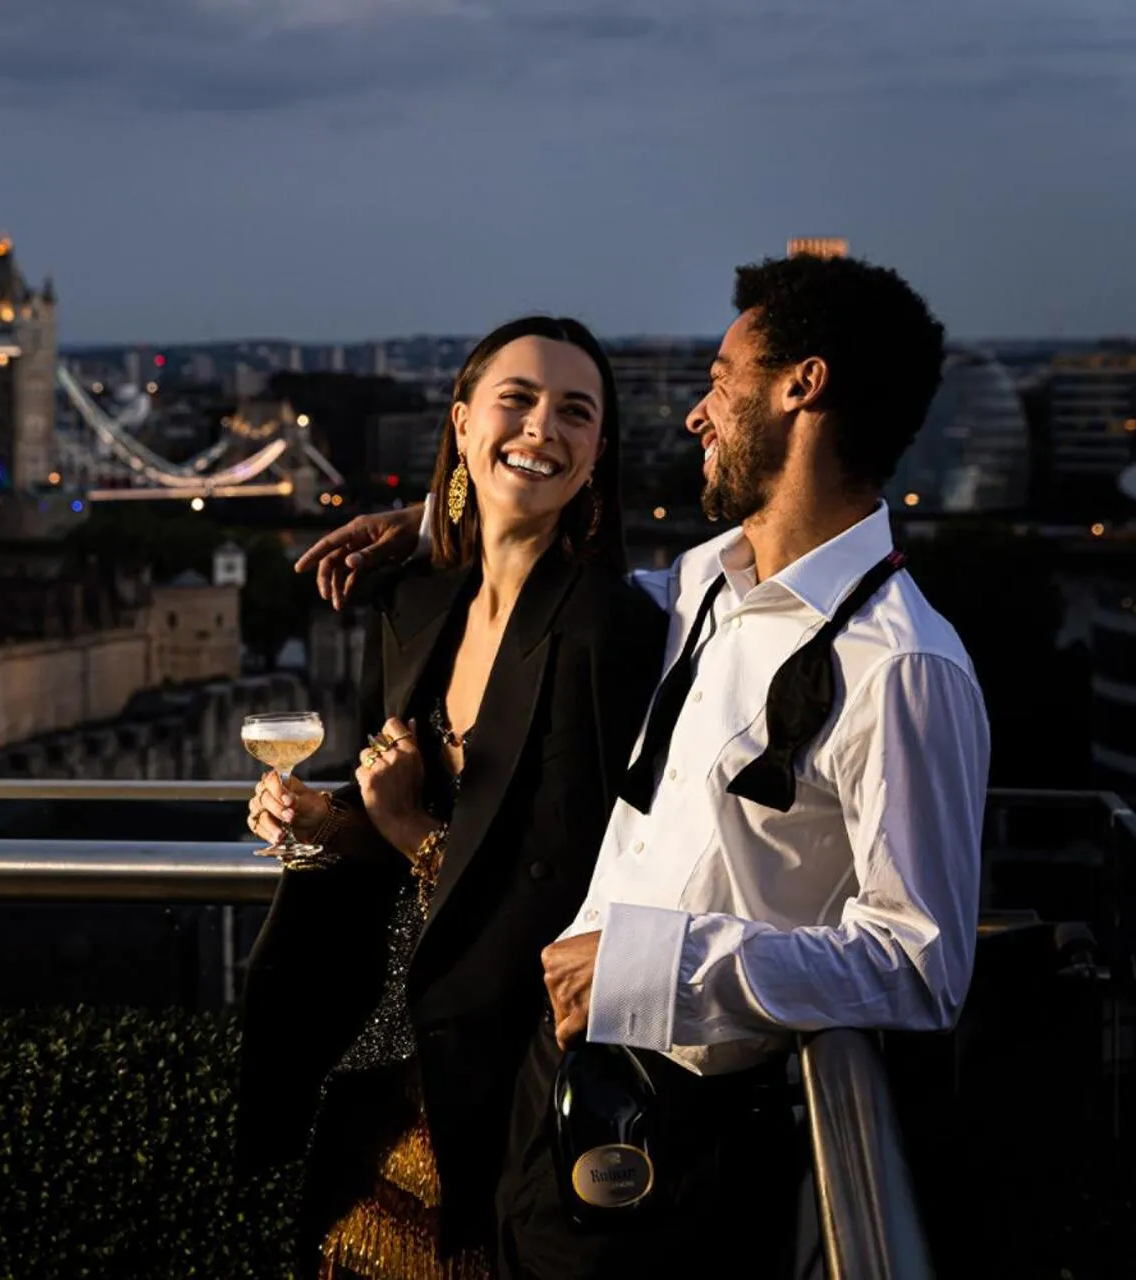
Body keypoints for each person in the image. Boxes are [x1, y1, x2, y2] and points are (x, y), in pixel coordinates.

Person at [298, 254, 991, 1278]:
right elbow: (541, 569)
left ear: (801, 386)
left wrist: (658, 964)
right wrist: (439, 512)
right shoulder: (705, 584)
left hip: (689, 1143)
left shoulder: (902, 666)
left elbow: (920, 962)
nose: (695, 416)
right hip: (558, 1086)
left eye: (719, 377)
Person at [237, 316, 668, 1279]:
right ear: (464, 423)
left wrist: (399, 823)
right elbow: (385, 830)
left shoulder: (605, 629)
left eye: (576, 413)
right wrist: (324, 822)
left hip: (495, 1072)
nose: (542, 429)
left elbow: (569, 887)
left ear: (598, 455)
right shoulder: (413, 605)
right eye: (516, 400)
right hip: (377, 1044)